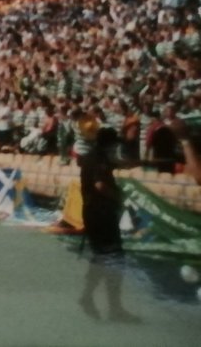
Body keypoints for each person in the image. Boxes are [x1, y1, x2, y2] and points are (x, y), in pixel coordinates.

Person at [77, 124, 137, 322]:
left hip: (93, 212)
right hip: (100, 213)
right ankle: (114, 308)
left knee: (101, 257)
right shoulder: (99, 159)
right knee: (114, 257)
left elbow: (116, 164)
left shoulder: (93, 156)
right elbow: (100, 184)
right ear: (109, 145)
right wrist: (118, 198)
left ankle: (88, 297)